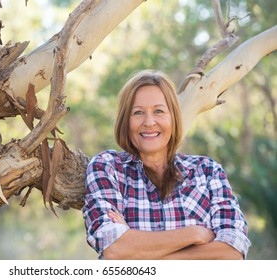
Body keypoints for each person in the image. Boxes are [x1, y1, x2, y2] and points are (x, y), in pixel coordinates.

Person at [82, 69, 251, 259]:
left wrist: (141, 254)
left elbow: (232, 253)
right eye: (137, 112)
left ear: (173, 117)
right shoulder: (107, 168)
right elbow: (115, 250)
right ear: (125, 121)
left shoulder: (207, 171)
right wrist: (194, 234)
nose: (149, 122)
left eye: (159, 111)